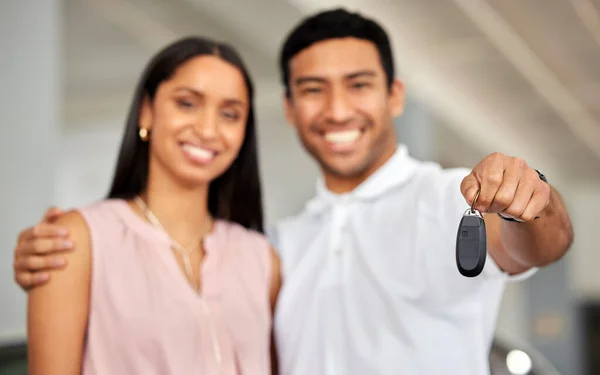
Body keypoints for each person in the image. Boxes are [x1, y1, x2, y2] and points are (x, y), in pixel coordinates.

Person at [12, 8, 573, 375]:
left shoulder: (454, 199)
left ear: (394, 96)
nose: (335, 110)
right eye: (312, 89)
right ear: (288, 108)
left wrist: (537, 200)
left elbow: (539, 245)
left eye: (358, 85)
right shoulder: (280, 245)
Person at [18, 36, 281, 375]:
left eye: (230, 114)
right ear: (147, 111)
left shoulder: (262, 260)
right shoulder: (75, 241)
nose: (207, 128)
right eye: (188, 104)